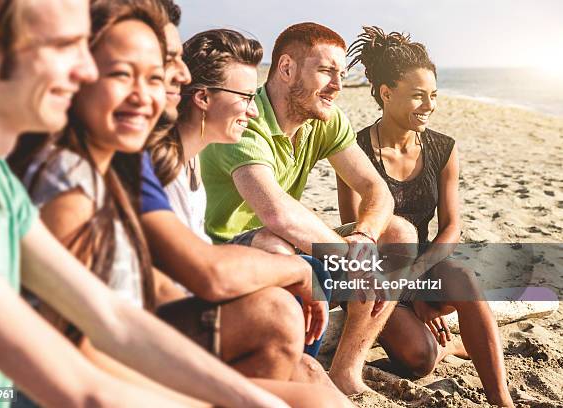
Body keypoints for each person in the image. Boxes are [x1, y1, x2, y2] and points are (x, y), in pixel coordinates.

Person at [0, 1, 304, 406]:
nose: (84, 70)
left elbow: (112, 316)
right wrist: (320, 268)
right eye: (64, 47)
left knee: (384, 249)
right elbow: (79, 382)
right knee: (284, 312)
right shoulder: (63, 181)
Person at [199, 21, 419, 395]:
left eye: (342, 74)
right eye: (326, 71)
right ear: (286, 69)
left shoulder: (324, 119)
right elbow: (277, 213)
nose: (337, 85)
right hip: (222, 252)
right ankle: (293, 369)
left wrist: (364, 235)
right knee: (278, 239)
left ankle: (347, 370)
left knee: (398, 232)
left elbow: (376, 190)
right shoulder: (243, 119)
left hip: (284, 244)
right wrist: (355, 261)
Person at [142, 25, 336, 383]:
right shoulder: (156, 164)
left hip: (180, 311)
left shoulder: (190, 160)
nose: (254, 111)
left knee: (311, 371)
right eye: (246, 97)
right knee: (277, 311)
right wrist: (298, 271)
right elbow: (193, 274)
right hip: (145, 335)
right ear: (202, 98)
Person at [338, 26, 514, 407]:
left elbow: (452, 226)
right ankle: (450, 347)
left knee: (463, 277)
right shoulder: (354, 152)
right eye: (417, 95)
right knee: (422, 359)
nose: (429, 105)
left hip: (425, 268)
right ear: (386, 93)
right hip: (375, 274)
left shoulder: (443, 149)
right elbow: (356, 234)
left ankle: (502, 400)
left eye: (433, 95)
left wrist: (418, 284)